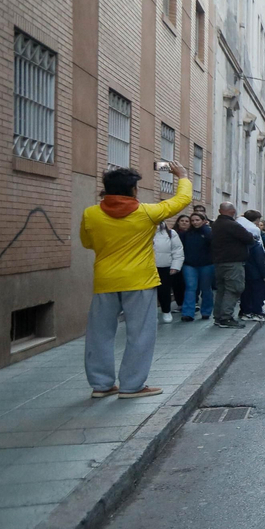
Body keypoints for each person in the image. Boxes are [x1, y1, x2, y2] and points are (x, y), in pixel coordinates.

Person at [79, 164, 193, 398]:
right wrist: (182, 176)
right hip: (140, 280)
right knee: (140, 333)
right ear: (133, 189)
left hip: (105, 280)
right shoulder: (147, 212)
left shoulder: (91, 213)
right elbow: (181, 200)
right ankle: (132, 385)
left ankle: (101, 385)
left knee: (99, 334)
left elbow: (87, 243)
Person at [210, 201, 254, 328]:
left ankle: (218, 316)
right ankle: (226, 317)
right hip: (233, 262)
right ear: (232, 212)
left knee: (222, 290)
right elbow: (249, 238)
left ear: (219, 211)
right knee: (234, 289)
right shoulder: (232, 225)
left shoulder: (216, 224)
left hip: (219, 262)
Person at [178, 212, 214, 322]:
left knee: (206, 288)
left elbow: (214, 245)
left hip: (206, 264)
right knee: (190, 287)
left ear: (203, 221)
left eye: (197, 220)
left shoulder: (209, 232)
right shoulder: (187, 234)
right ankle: (188, 313)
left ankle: (206, 311)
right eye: (192, 220)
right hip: (189, 265)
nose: (194, 222)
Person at [239, 215, 265, 322]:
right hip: (256, 274)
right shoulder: (257, 246)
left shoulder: (242, 246)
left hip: (247, 272)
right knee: (257, 294)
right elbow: (260, 262)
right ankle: (256, 312)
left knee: (246, 294)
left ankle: (245, 311)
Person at [153, 218, 184, 323]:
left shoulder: (170, 233)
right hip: (146, 267)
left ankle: (166, 311)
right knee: (148, 293)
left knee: (164, 291)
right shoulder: (142, 232)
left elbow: (177, 250)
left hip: (164, 266)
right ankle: (151, 315)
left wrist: (175, 266)